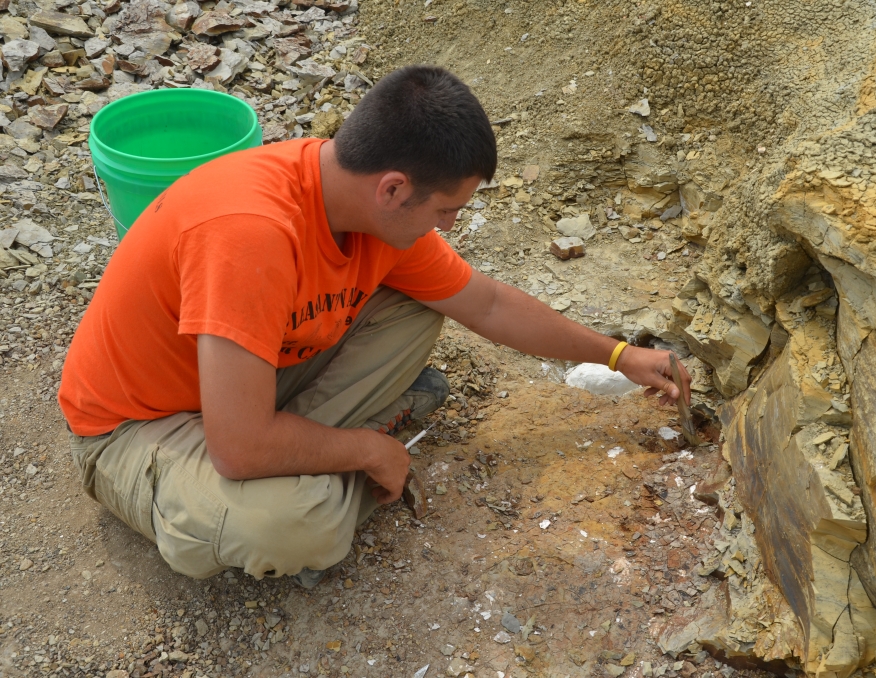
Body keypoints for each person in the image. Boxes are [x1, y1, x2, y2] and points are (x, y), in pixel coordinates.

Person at [59, 65, 690, 588]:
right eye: (445, 210)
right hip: (137, 426)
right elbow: (237, 447)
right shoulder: (249, 232)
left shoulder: (367, 212)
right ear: (393, 188)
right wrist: (369, 449)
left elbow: (489, 306)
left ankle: (310, 456)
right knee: (301, 526)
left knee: (423, 304)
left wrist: (617, 356)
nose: (446, 226)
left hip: (242, 386)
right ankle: (322, 474)